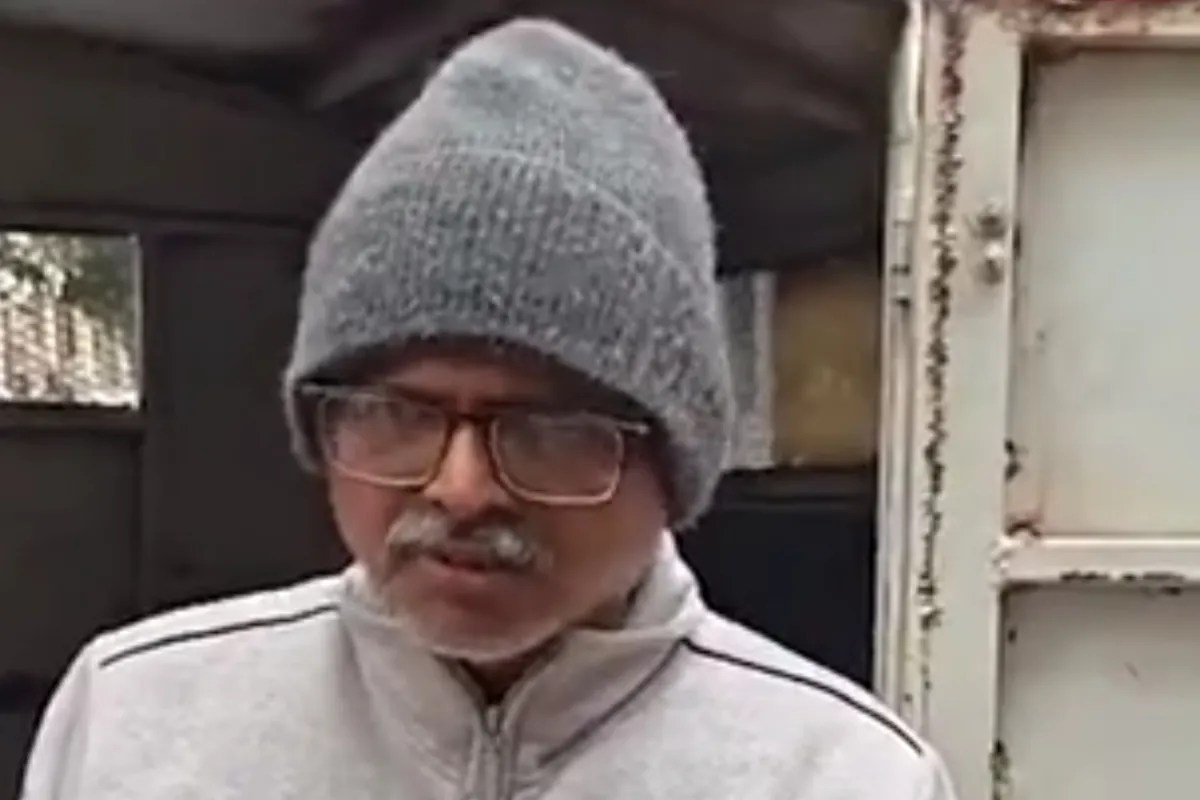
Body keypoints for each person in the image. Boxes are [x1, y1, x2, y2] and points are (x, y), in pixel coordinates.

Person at [22, 18, 955, 800]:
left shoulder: (840, 775)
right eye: (400, 415)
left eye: (548, 431)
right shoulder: (139, 723)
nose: (462, 488)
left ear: (676, 467)